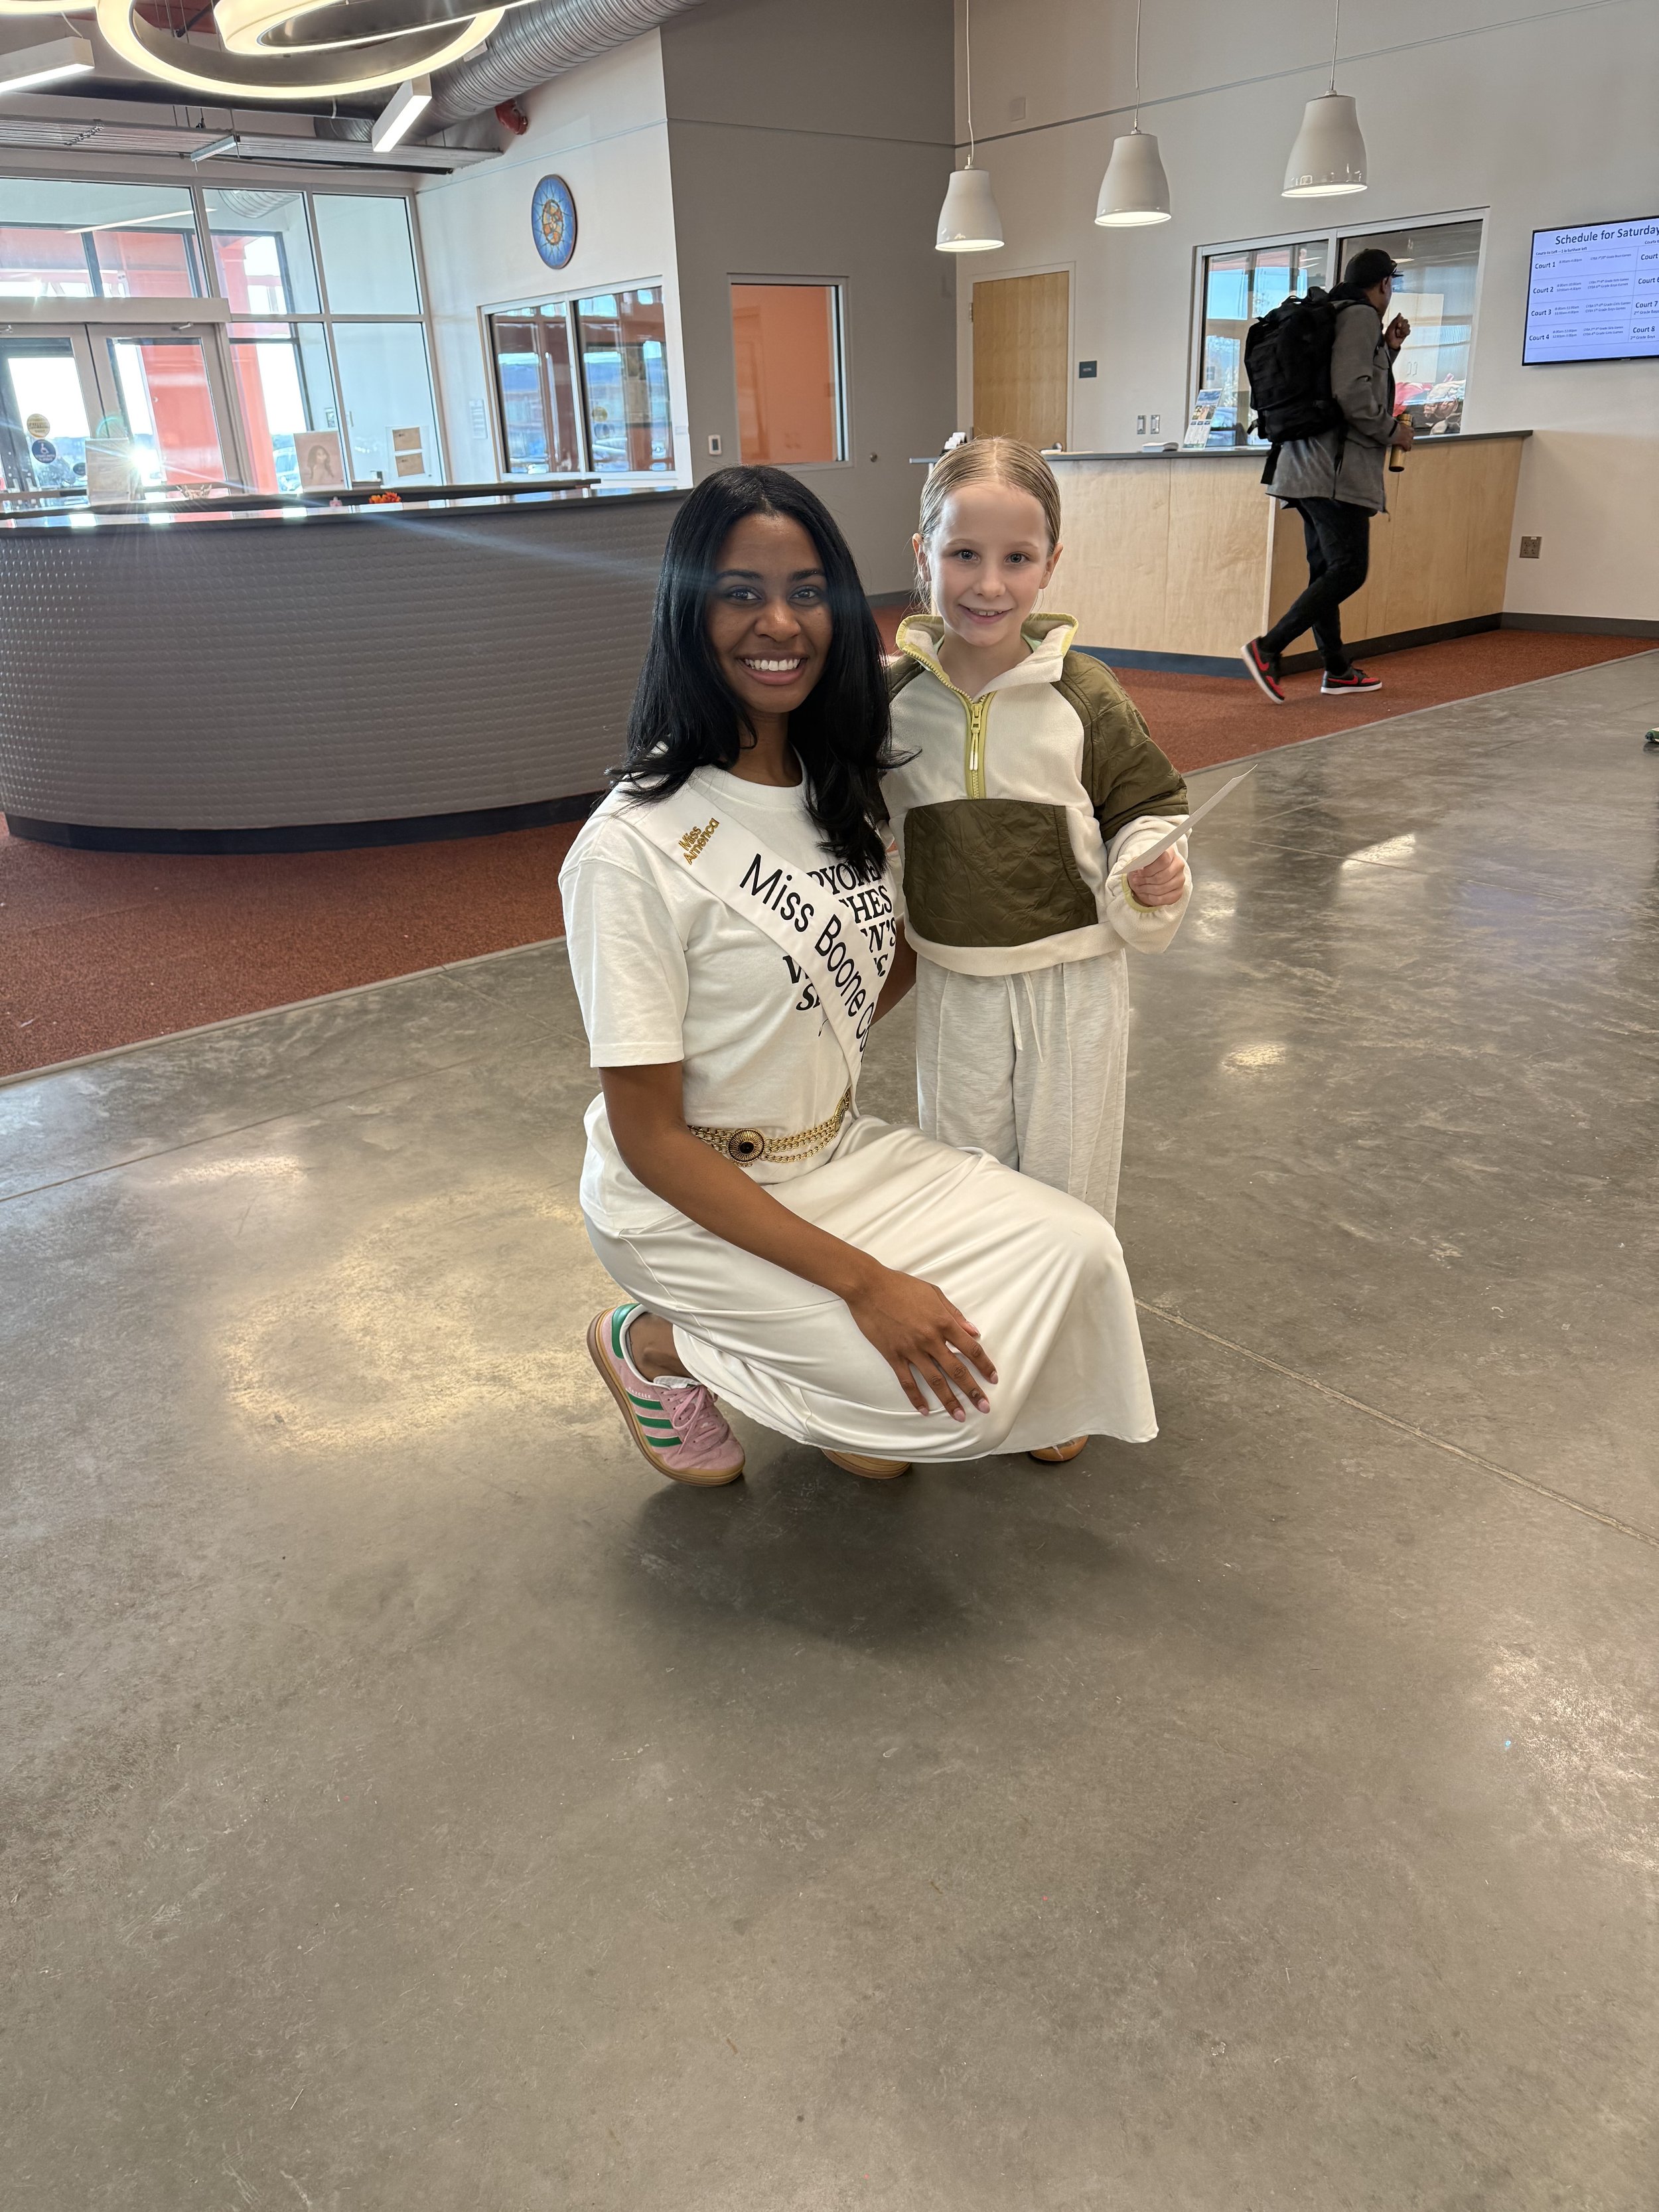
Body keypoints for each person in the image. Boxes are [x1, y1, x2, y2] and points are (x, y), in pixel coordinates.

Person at [559, 465, 1159, 1485]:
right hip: (686, 1195)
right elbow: (647, 1137)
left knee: (1079, 1251)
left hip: (832, 1157)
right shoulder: (630, 849)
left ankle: (823, 1369)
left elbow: (871, 966)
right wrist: (866, 1284)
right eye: (740, 591)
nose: (779, 623)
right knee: (930, 1409)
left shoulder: (839, 786)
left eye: (806, 592)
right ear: (686, 606)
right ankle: (652, 1346)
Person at [882, 437, 1190, 1254]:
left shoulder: (1085, 693)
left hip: (1073, 986)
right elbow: (848, 820)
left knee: (1068, 1192)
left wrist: (1146, 870)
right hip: (954, 982)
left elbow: (1148, 804)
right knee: (961, 1183)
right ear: (923, 555)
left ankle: (1064, 1349)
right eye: (964, 554)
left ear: (1050, 563)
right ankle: (982, 1346)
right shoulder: (887, 704)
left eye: (1017, 557)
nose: (989, 584)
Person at [1241, 246, 1414, 702]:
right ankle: (1268, 648)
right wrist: (1393, 431)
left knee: (1326, 570)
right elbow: (1352, 395)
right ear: (1384, 285)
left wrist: (1389, 349)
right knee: (1349, 569)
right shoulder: (1358, 318)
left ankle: (1336, 668)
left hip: (1303, 463)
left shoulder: (1337, 314)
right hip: (1333, 470)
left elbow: (1353, 381)